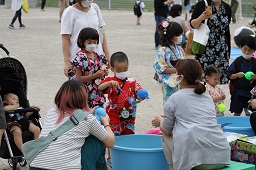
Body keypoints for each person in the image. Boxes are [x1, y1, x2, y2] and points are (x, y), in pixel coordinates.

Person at [152, 59, 230, 170]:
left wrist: (160, 120)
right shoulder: (207, 97)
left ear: (181, 77)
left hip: (194, 160)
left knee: (165, 136)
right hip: (221, 154)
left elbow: (166, 130)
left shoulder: (174, 98)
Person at [29, 80, 115, 170]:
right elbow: (110, 143)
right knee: (98, 139)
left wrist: (89, 112)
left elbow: (69, 118)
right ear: (83, 98)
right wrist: (106, 122)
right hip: (66, 168)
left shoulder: (51, 112)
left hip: (36, 166)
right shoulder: (87, 119)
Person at [98, 51, 147, 167]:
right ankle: (111, 158)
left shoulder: (132, 81)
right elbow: (100, 87)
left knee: (128, 136)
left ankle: (126, 157)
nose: (122, 72)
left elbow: (139, 91)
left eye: (125, 69)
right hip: (114, 115)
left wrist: (142, 95)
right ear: (113, 69)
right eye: (119, 70)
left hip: (129, 116)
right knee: (113, 137)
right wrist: (109, 82)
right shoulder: (110, 80)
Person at [61, 0, 110, 77]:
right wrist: (67, 62)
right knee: (80, 87)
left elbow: (102, 33)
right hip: (79, 62)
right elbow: (65, 39)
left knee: (98, 87)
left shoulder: (95, 8)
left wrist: (107, 56)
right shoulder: (69, 12)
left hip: (97, 60)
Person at [190, 0, 231, 84]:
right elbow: (193, 24)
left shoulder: (226, 7)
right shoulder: (202, 4)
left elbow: (227, 29)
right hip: (205, 45)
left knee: (217, 78)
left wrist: (228, 51)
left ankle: (214, 96)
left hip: (222, 48)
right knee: (204, 77)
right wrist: (201, 17)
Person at [71, 27, 108, 108]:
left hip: (97, 93)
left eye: (95, 42)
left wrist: (104, 73)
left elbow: (101, 72)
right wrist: (94, 76)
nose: (92, 44)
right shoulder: (80, 58)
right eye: (89, 42)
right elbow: (78, 79)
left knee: (99, 115)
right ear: (81, 41)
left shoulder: (98, 57)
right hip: (84, 93)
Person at [153, 19, 185, 104]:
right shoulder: (162, 50)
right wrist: (177, 70)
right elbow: (160, 68)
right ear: (171, 36)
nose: (180, 36)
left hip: (181, 80)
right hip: (169, 82)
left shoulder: (179, 49)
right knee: (170, 103)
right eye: (178, 35)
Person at [227, 35, 256, 116]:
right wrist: (237, 75)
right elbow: (229, 75)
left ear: (254, 50)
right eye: (245, 49)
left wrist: (255, 77)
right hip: (238, 93)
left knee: (250, 114)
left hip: (251, 94)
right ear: (240, 47)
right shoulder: (237, 62)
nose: (247, 53)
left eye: (250, 50)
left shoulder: (255, 62)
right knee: (237, 112)